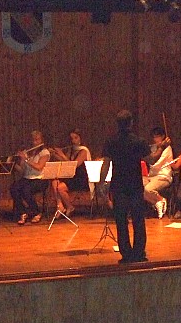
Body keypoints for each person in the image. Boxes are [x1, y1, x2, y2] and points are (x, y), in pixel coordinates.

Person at [101, 110, 151, 263]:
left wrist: (101, 183)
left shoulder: (111, 141)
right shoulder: (139, 142)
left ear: (118, 124)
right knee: (138, 220)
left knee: (121, 221)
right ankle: (139, 254)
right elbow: (152, 160)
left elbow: (106, 164)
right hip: (135, 185)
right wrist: (163, 147)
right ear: (131, 123)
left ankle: (126, 254)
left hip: (118, 186)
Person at [49, 128, 92, 217]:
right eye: (72, 138)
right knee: (54, 181)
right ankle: (60, 205)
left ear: (80, 138)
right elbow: (66, 161)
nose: (73, 141)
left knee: (60, 188)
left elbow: (74, 165)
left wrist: (61, 154)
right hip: (72, 176)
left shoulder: (84, 150)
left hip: (81, 178)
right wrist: (54, 154)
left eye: (76, 138)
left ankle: (70, 207)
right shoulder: (72, 149)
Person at [10, 131, 50, 224]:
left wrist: (26, 159)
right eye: (33, 140)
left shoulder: (45, 152)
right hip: (27, 178)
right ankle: (23, 212)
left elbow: (39, 167)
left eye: (38, 140)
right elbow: (22, 171)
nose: (35, 142)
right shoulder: (27, 152)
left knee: (26, 190)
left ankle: (36, 212)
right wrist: (12, 164)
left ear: (42, 140)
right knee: (14, 188)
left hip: (40, 179)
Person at [143, 127, 173, 219]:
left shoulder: (167, 148)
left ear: (163, 136)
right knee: (138, 187)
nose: (155, 139)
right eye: (154, 137)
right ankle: (158, 202)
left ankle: (160, 199)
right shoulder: (154, 147)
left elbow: (155, 163)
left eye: (157, 137)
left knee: (148, 189)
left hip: (163, 176)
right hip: (151, 176)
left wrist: (148, 159)